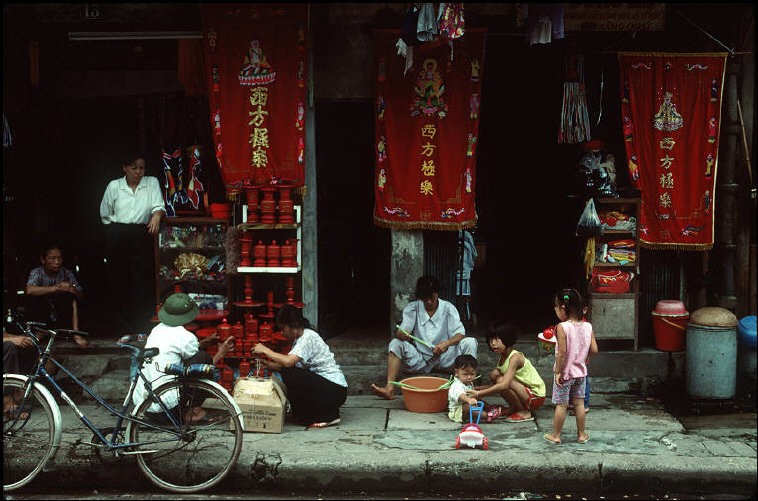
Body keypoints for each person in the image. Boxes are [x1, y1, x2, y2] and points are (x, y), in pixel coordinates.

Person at [371, 275, 478, 400]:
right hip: (421, 360)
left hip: (447, 358)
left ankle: (469, 389)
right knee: (395, 343)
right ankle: (389, 389)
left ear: (437, 294)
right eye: (424, 299)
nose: (428, 302)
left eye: (432, 298)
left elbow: (460, 334)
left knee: (470, 342)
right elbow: (404, 331)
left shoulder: (448, 308)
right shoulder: (413, 308)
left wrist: (446, 343)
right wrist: (401, 334)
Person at [132, 293, 234, 422]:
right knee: (203, 358)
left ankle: (187, 410)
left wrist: (203, 342)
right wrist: (220, 353)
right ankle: (193, 411)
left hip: (145, 408)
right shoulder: (186, 336)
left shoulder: (156, 330)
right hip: (168, 410)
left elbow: (175, 347)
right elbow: (200, 367)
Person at [99, 152, 165, 336]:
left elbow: (158, 205)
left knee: (142, 281)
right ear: (125, 168)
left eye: (141, 168)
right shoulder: (114, 186)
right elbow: (105, 213)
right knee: (119, 281)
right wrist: (116, 229)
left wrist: (156, 216)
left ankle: (142, 327)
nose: (138, 172)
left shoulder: (151, 182)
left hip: (142, 234)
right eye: (134, 168)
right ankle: (123, 329)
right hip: (118, 233)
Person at [252, 304, 347, 429]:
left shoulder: (308, 337)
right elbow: (290, 366)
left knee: (291, 374)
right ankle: (320, 413)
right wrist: (268, 365)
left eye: (282, 328)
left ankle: (329, 416)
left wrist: (265, 350)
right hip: (329, 389)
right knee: (291, 374)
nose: (281, 333)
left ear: (292, 326)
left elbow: (288, 363)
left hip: (335, 390)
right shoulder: (300, 339)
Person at [544, 288, 598, 445]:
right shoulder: (588, 326)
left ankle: (556, 435)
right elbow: (594, 349)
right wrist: (585, 358)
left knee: (561, 404)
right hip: (581, 373)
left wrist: (557, 372)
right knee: (579, 403)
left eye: (556, 307)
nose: (555, 311)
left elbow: (562, 352)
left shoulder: (562, 327)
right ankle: (581, 435)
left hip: (565, 374)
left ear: (562, 308)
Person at [468, 323, 546, 422]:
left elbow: (504, 384)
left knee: (501, 380)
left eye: (497, 339)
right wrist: (477, 389)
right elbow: (497, 385)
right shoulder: (502, 357)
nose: (493, 343)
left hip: (535, 397)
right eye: (491, 340)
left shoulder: (515, 357)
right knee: (495, 375)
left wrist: (479, 393)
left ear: (507, 339)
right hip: (524, 392)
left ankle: (524, 412)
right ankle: (514, 408)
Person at [24, 243, 88, 348]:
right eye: (52, 258)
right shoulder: (37, 272)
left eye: (59, 258)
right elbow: (29, 290)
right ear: (43, 260)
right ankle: (40, 333)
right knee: (34, 299)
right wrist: (56, 288)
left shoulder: (67, 273)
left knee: (71, 298)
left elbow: (80, 296)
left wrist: (71, 288)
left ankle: (76, 333)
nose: (57, 262)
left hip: (61, 314)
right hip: (43, 314)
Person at [447, 354, 503, 424]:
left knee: (479, 400)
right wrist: (469, 400)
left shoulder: (468, 383)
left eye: (472, 374)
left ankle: (490, 408)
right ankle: (487, 415)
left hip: (468, 405)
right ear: (456, 373)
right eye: (465, 374)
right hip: (458, 412)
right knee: (468, 407)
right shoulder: (456, 385)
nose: (469, 377)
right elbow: (461, 396)